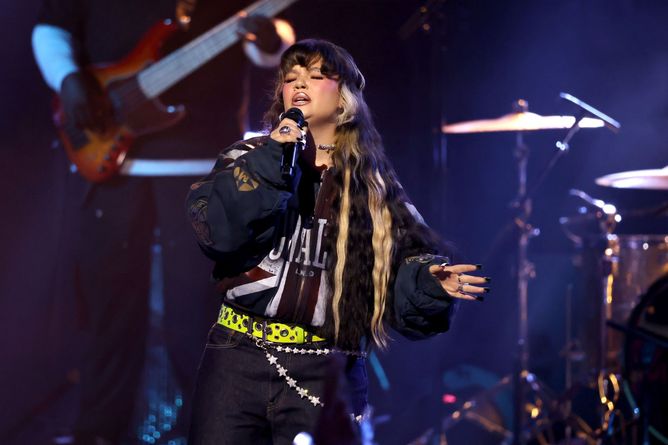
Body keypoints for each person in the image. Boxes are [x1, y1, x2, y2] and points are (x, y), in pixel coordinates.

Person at [185, 38, 490, 444]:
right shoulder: (247, 157)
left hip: (325, 368)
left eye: (315, 75)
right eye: (290, 77)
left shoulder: (373, 187)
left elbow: (404, 263)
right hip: (236, 355)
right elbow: (214, 229)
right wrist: (272, 159)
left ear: (345, 96)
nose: (299, 84)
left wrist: (428, 280)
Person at [31, 1, 295, 444]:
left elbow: (268, 34)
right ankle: (98, 433)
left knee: (201, 318)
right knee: (108, 314)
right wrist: (68, 78)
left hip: (202, 161)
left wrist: (272, 43)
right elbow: (54, 23)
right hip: (113, 155)